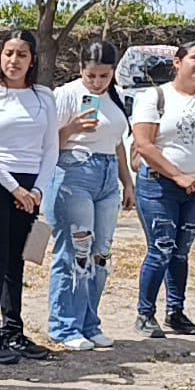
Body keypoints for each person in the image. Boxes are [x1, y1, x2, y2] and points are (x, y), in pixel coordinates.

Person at [0, 29, 58, 364]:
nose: (14, 60)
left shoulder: (44, 97)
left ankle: (13, 331)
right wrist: (15, 189)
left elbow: (51, 148)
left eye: (22, 54)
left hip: (30, 188)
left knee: (16, 263)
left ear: (32, 60)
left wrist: (37, 190)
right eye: (9, 53)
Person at [130, 41, 195, 338]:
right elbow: (144, 145)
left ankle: (176, 312)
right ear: (178, 62)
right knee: (161, 248)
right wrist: (177, 176)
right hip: (159, 186)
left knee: (180, 253)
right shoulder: (155, 97)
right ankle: (145, 314)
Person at [46, 41, 136, 351]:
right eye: (91, 76)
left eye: (104, 76)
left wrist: (128, 182)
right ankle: (64, 326)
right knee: (76, 251)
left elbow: (118, 142)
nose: (97, 83)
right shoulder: (66, 94)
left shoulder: (116, 96)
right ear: (80, 69)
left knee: (101, 253)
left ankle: (89, 322)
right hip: (74, 171)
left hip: (108, 176)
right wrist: (72, 128)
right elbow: (47, 142)